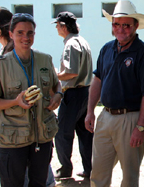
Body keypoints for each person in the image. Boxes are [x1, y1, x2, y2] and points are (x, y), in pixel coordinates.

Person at [85, 0, 144, 187]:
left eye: (126, 25)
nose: (121, 29)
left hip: (130, 119)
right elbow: (98, 80)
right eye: (116, 24)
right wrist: (90, 111)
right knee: (98, 172)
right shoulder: (107, 49)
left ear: (136, 25)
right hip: (105, 117)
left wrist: (141, 127)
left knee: (129, 176)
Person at [0, 13, 61, 186]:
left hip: (41, 138)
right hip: (13, 141)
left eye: (30, 33)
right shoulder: (0, 65)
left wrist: (58, 96)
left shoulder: (45, 59)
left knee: (39, 183)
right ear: (11, 34)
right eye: (20, 32)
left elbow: (56, 85)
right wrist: (15, 102)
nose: (25, 37)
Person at [52, 11, 93, 179]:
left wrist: (54, 74)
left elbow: (70, 72)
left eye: (57, 25)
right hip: (86, 93)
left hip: (73, 94)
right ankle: (89, 169)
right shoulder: (83, 41)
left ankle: (65, 169)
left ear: (63, 26)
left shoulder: (71, 44)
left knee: (62, 133)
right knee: (85, 134)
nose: (56, 28)